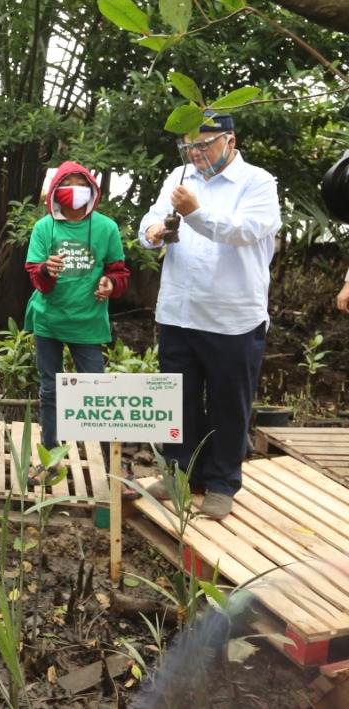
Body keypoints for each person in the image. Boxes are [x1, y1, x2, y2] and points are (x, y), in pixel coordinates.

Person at [138, 112, 280, 519]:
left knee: (228, 402)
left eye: (204, 145)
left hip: (231, 315)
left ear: (229, 140)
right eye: (189, 146)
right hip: (179, 311)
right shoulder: (180, 175)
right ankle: (181, 472)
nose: (195, 154)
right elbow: (154, 216)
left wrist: (196, 213)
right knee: (177, 399)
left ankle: (221, 482)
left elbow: (245, 230)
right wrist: (151, 232)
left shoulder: (257, 182)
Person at [23, 162, 132, 494]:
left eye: (79, 183)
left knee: (97, 393)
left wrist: (110, 285)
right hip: (49, 319)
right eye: (66, 183)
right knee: (50, 390)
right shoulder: (45, 227)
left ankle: (114, 466)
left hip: (88, 322)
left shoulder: (106, 227)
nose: (73, 188)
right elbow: (33, 272)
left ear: (92, 190)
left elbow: (118, 270)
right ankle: (50, 459)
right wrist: (47, 270)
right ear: (56, 190)